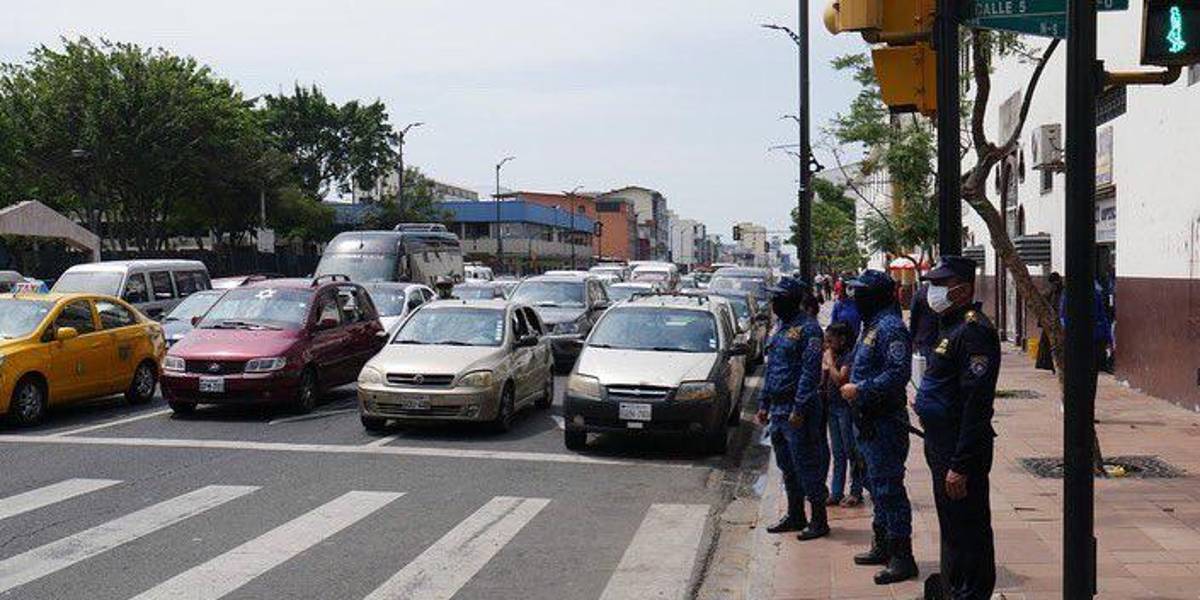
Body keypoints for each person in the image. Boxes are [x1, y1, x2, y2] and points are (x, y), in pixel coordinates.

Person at [913, 256, 1000, 599]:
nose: (932, 291)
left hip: (958, 449)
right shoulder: (949, 326)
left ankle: (970, 592)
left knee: (968, 528)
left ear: (962, 291)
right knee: (952, 526)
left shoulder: (973, 330)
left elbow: (976, 404)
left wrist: (961, 464)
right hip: (941, 442)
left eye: (939, 285)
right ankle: (954, 588)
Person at [840, 269, 918, 585]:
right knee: (876, 486)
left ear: (877, 296)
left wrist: (861, 390)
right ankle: (883, 544)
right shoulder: (872, 326)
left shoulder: (890, 328)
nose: (856, 298)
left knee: (889, 488)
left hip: (885, 420)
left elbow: (898, 373)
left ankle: (902, 556)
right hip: (869, 420)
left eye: (861, 293)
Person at [755, 277, 830, 541]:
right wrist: (764, 403)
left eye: (778, 298)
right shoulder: (780, 327)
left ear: (792, 300)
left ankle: (819, 519)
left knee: (807, 463)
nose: (773, 302)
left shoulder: (808, 329)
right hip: (777, 406)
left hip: (800, 409)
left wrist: (799, 408)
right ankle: (795, 514)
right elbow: (772, 367)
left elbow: (810, 373)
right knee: (787, 464)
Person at [823, 321, 864, 508]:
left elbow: (841, 379)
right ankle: (836, 491)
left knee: (851, 451)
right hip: (832, 406)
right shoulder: (832, 354)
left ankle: (856, 490)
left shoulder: (848, 357)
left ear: (842, 339)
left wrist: (830, 363)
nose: (828, 345)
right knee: (838, 452)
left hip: (845, 409)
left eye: (831, 341)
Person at [1035, 272, 1062, 372]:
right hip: (1052, 322)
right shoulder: (1054, 292)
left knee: (1048, 344)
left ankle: (1049, 364)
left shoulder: (1050, 291)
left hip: (1051, 322)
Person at [910, 281, 939, 359]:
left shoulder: (920, 292)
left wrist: (912, 338)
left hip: (924, 337)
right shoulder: (944, 291)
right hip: (935, 337)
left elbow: (914, 318)